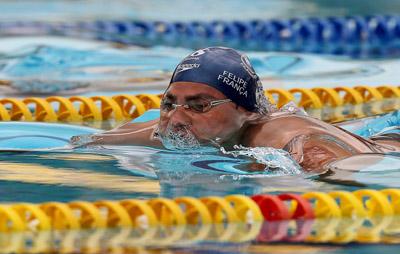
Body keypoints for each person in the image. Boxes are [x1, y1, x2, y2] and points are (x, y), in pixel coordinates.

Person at [70, 47, 400, 172]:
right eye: (169, 102)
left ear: (246, 111)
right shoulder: (177, 130)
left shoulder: (277, 136)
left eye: (199, 105)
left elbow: (341, 170)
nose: (177, 117)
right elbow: (88, 142)